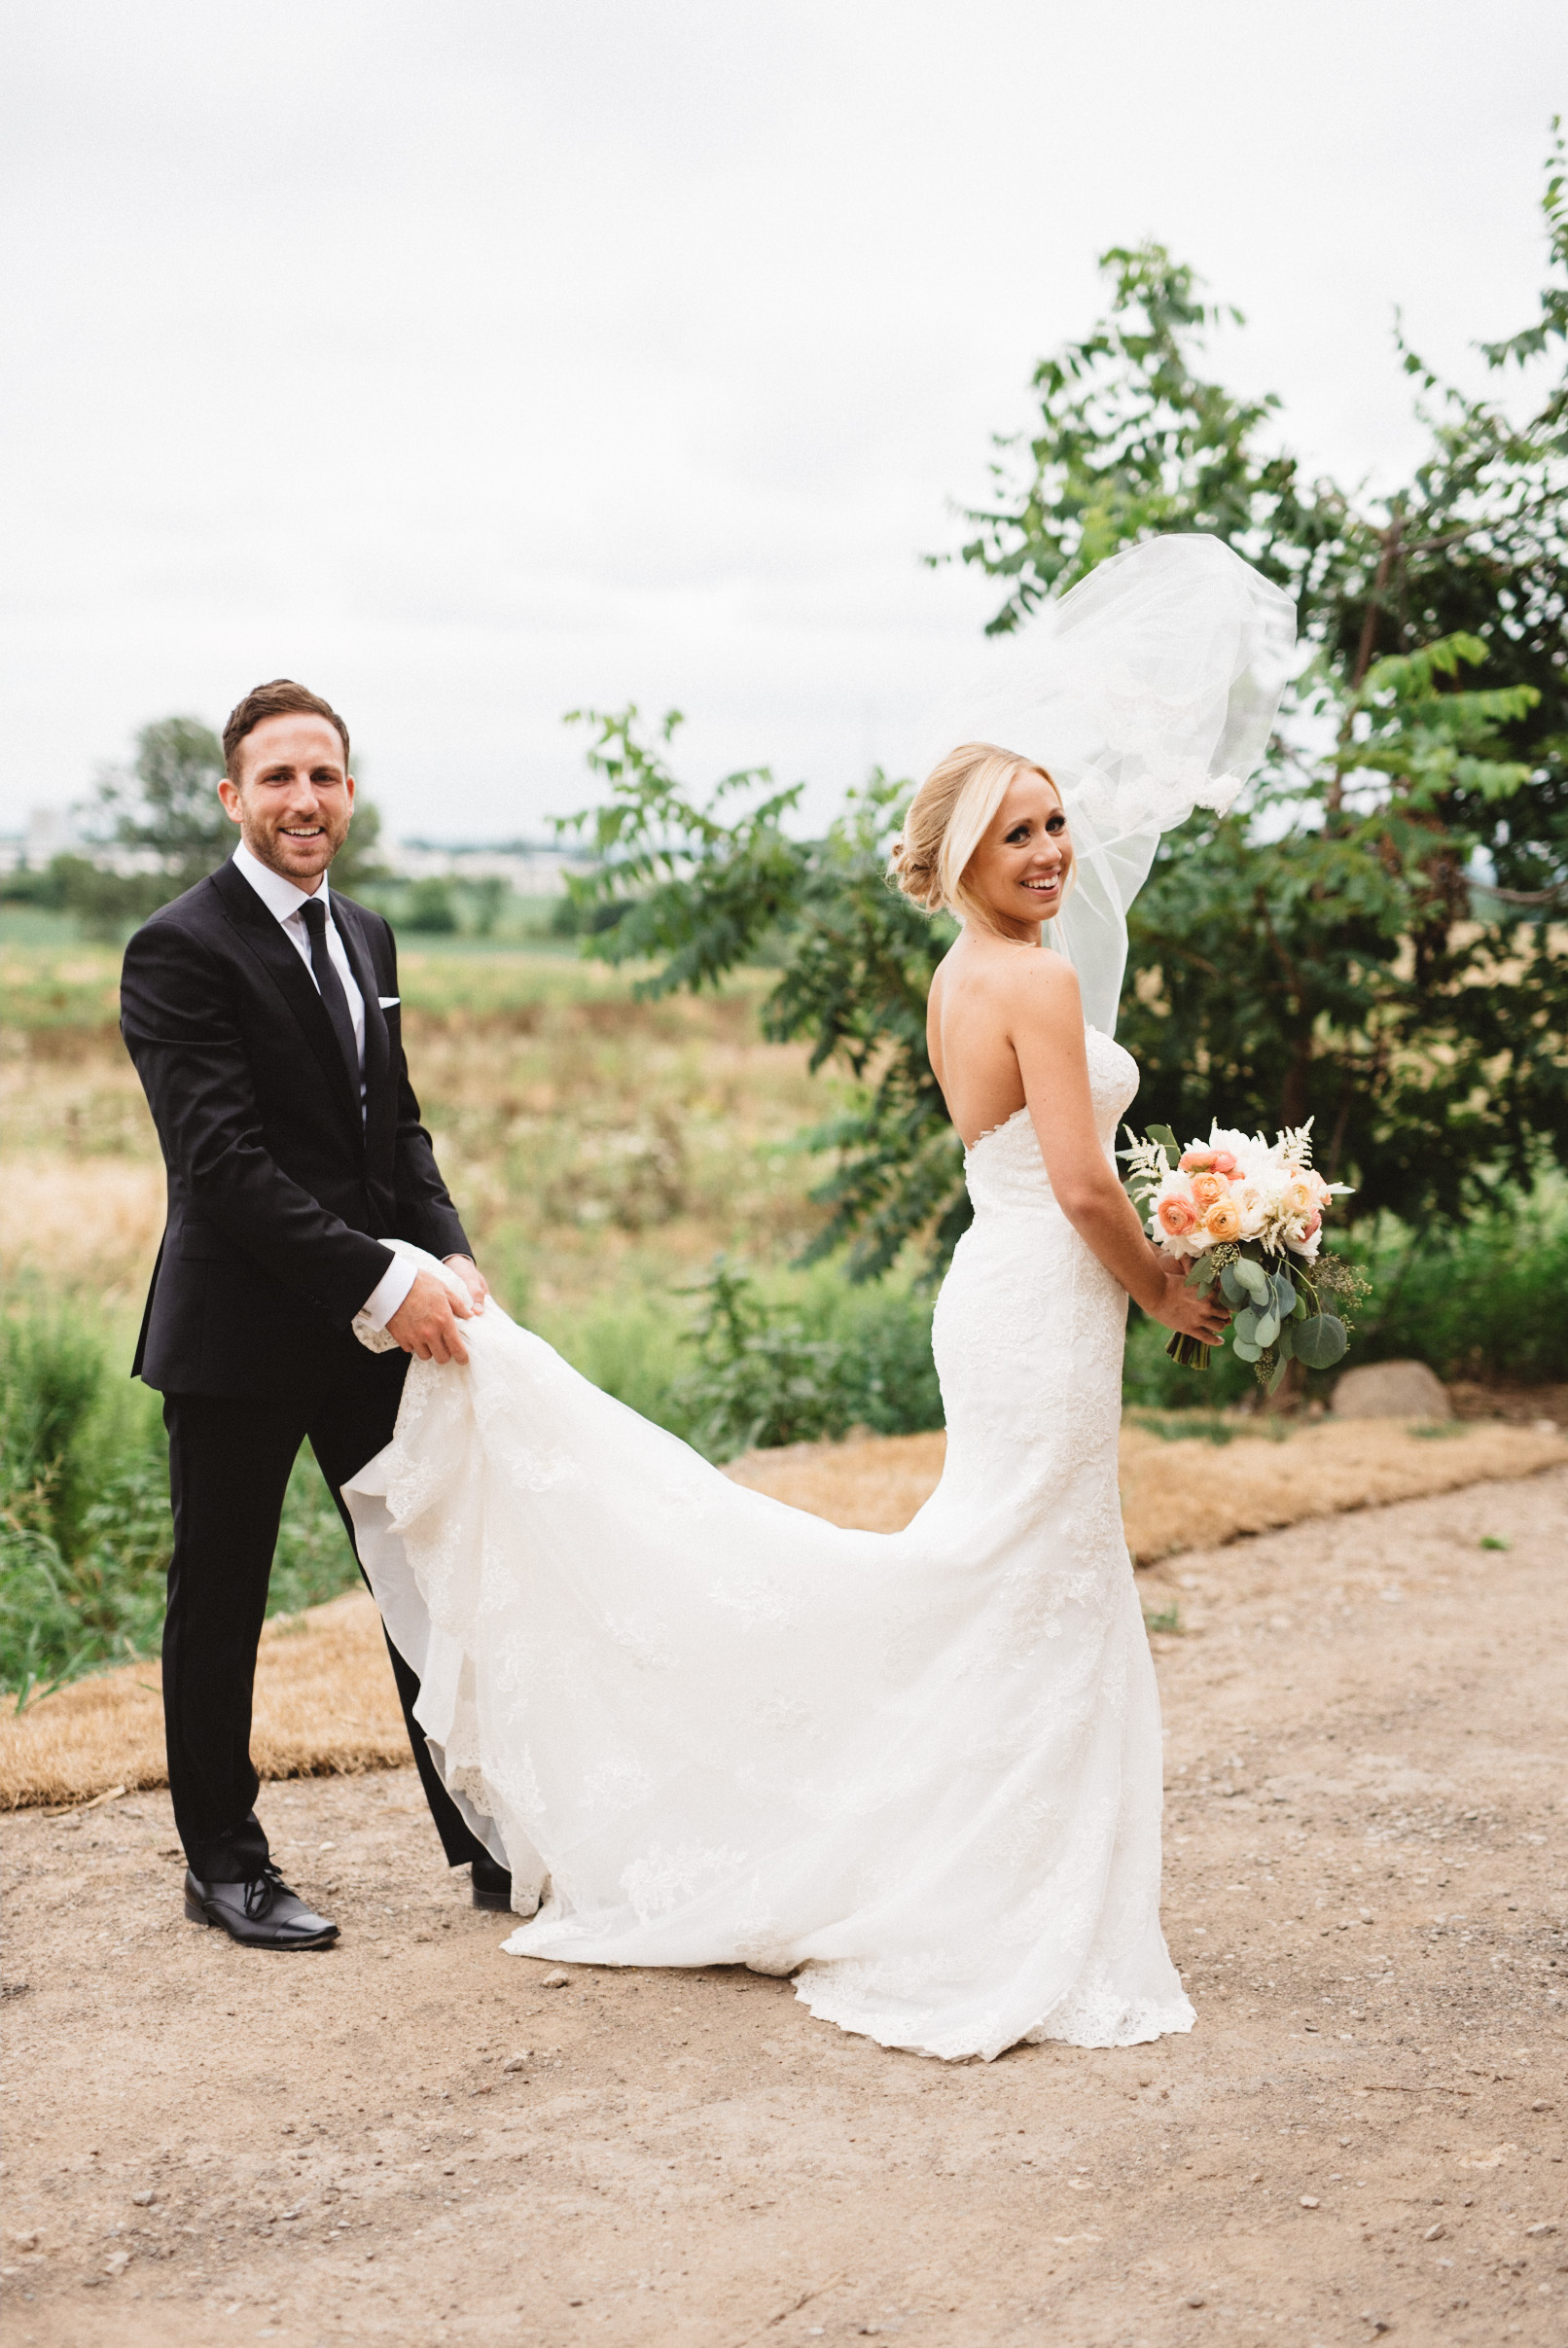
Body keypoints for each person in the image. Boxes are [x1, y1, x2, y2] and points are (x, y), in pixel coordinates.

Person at [342, 535, 1296, 2059]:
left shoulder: (962, 973)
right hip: (1042, 1296)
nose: (1051, 852)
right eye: (1019, 835)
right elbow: (1080, 1182)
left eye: (1058, 824)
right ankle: (976, 1892)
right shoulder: (1039, 982)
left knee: (1013, 1578)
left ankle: (961, 1855)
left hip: (997, 1296)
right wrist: (1175, 1289)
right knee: (1014, 1583)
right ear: (966, 857)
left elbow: (1034, 1170)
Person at [120, 679, 513, 1949]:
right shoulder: (177, 947)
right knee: (221, 1597)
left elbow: (390, 1130)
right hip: (239, 1334)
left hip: (368, 1331)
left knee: (425, 1575)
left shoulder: (372, 936)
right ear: (233, 796)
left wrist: (447, 1248)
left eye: (325, 775)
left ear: (351, 791)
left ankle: (489, 1834)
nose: (305, 799)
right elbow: (223, 1166)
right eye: (278, 777)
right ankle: (223, 1865)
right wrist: (387, 1281)